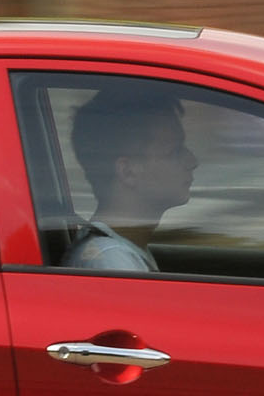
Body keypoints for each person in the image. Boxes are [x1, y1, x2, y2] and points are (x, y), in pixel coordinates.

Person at [64, 88, 198, 273]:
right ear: (127, 172)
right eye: (175, 151)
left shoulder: (122, 253)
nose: (192, 161)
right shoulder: (113, 263)